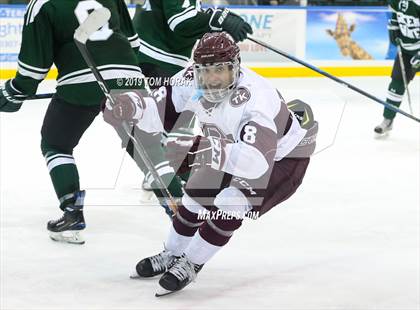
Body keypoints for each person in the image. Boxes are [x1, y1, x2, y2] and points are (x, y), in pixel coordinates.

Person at [103, 32, 318, 296]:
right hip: (229, 146)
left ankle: (191, 263)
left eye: (221, 70)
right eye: (205, 71)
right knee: (195, 196)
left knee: (229, 203)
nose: (213, 79)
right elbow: (157, 111)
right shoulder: (189, 79)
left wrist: (203, 151)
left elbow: (255, 163)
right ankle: (172, 254)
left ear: (236, 68)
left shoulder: (255, 100)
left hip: (281, 159)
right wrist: (130, 106)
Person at [0, 0, 144, 244]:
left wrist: (13, 93)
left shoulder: (42, 4)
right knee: (144, 144)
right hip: (128, 77)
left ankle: (72, 211)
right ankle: (184, 206)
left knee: (55, 144)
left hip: (82, 83)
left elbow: (34, 70)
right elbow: (134, 44)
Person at [128, 0, 253, 191]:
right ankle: (165, 171)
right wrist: (217, 19)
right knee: (174, 119)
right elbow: (180, 21)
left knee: (172, 118)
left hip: (151, 54)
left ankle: (164, 170)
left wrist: (218, 21)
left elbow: (185, 15)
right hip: (156, 56)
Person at [374, 0, 419, 135]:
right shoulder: (397, 1)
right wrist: (393, 28)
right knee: (396, 83)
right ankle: (388, 119)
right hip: (405, 50)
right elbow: (395, 16)